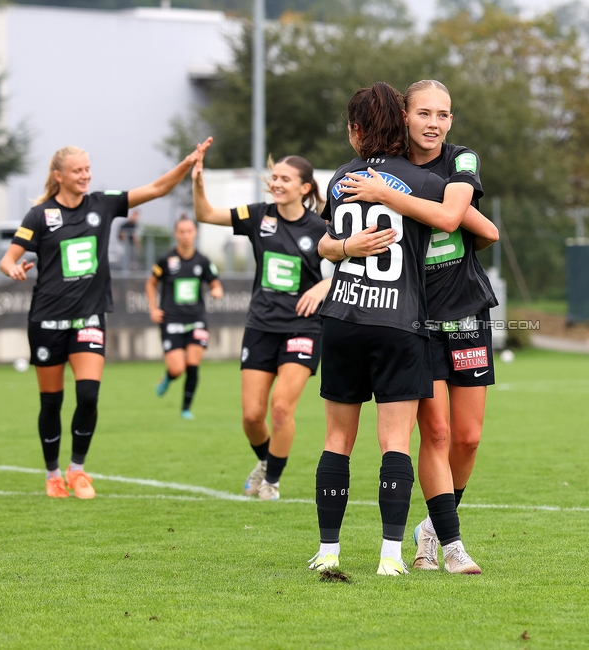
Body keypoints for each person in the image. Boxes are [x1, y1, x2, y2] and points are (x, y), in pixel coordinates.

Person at [307, 81, 476, 577]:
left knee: (337, 439)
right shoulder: (425, 184)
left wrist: (342, 250)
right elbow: (464, 224)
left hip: (342, 317)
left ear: (357, 130)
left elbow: (323, 241)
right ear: (401, 121)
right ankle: (390, 556)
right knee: (396, 443)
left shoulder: (340, 178)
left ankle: (329, 550)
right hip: (401, 323)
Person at [0, 141, 209, 498]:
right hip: (47, 321)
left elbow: (157, 188)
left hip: (89, 318)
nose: (85, 175)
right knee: (51, 401)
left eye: (87, 169)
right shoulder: (40, 215)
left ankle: (77, 470)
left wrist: (187, 163)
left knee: (89, 395)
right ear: (58, 175)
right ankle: (52, 475)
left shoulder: (103, 203)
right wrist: (14, 269)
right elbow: (8, 259)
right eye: (78, 170)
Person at [193, 149, 330, 501]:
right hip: (261, 327)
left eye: (285, 179)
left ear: (305, 188)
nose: (277, 183)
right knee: (252, 417)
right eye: (275, 178)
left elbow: (353, 262)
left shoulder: (320, 228)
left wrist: (322, 285)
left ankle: (272, 482)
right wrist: (197, 182)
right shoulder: (257, 215)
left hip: (303, 328)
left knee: (282, 407)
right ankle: (266, 461)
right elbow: (205, 214)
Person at [146, 216, 223, 419]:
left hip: (196, 319)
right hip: (171, 320)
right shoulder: (166, 260)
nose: (186, 235)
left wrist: (216, 291)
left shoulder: (203, 261)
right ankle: (168, 378)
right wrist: (153, 308)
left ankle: (186, 408)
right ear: (176, 234)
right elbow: (150, 283)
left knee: (193, 363)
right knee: (177, 368)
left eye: (189, 231)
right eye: (182, 231)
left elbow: (215, 283)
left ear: (195, 233)